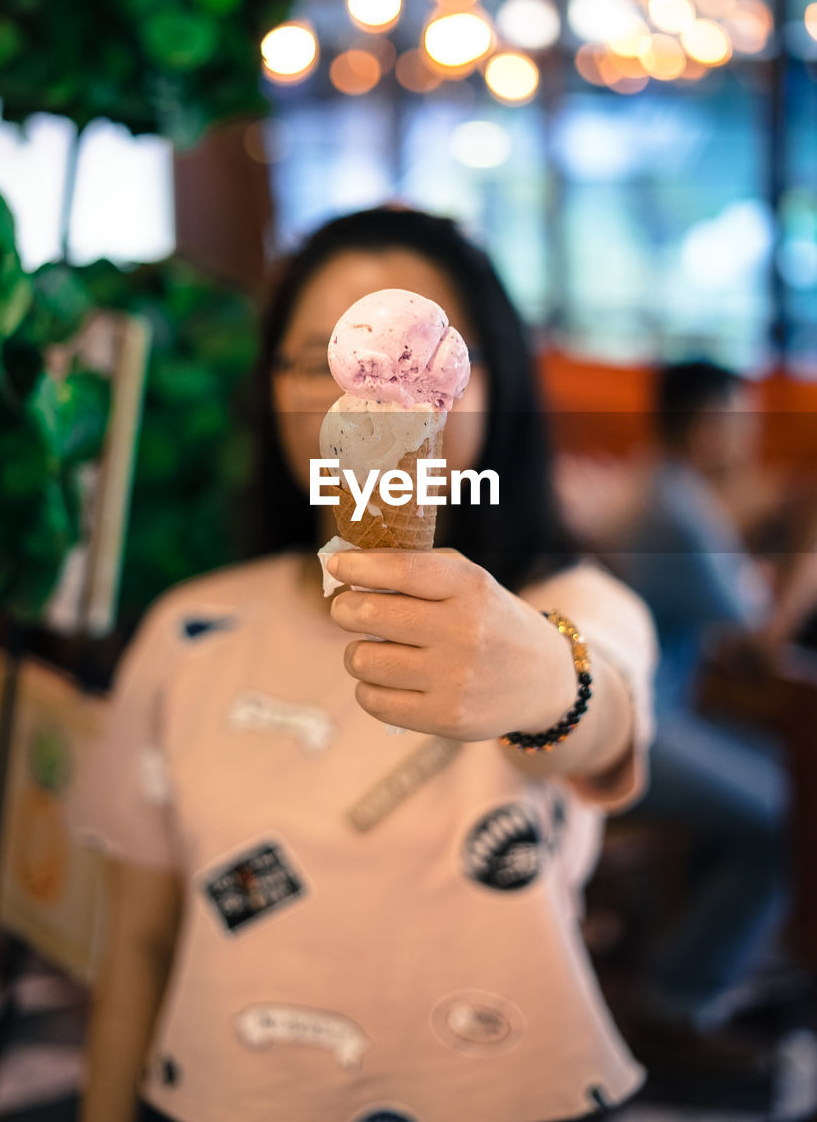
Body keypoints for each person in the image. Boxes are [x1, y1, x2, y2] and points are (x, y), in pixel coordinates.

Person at [71, 207, 657, 1122]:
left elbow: (597, 712)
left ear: (491, 384)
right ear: (271, 390)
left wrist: (547, 682)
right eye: (322, 363)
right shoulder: (189, 631)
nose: (375, 402)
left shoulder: (575, 609)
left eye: (422, 364)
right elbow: (139, 940)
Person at [615, 360, 791, 1036]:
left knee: (771, 765)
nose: (749, 434)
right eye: (740, 418)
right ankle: (678, 1000)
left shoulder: (654, 488)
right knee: (785, 809)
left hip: (653, 712)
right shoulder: (678, 513)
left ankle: (682, 962)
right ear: (709, 424)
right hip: (643, 728)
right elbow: (761, 636)